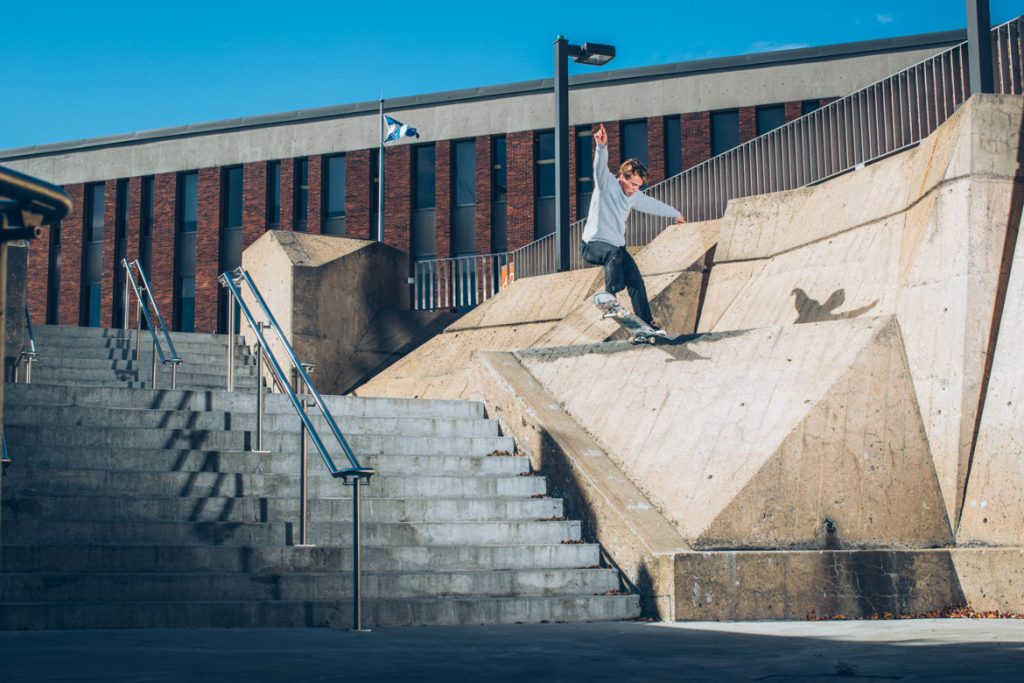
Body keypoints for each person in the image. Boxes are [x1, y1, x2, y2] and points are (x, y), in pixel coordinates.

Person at [581, 123, 686, 332]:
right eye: (633, 185)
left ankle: (647, 324)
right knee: (614, 252)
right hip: (592, 246)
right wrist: (601, 147)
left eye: (638, 186)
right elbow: (599, 167)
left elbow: (652, 205)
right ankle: (609, 297)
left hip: (615, 251)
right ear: (623, 177)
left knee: (636, 281)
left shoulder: (634, 196)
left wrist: (676, 214)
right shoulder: (606, 183)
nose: (635, 190)